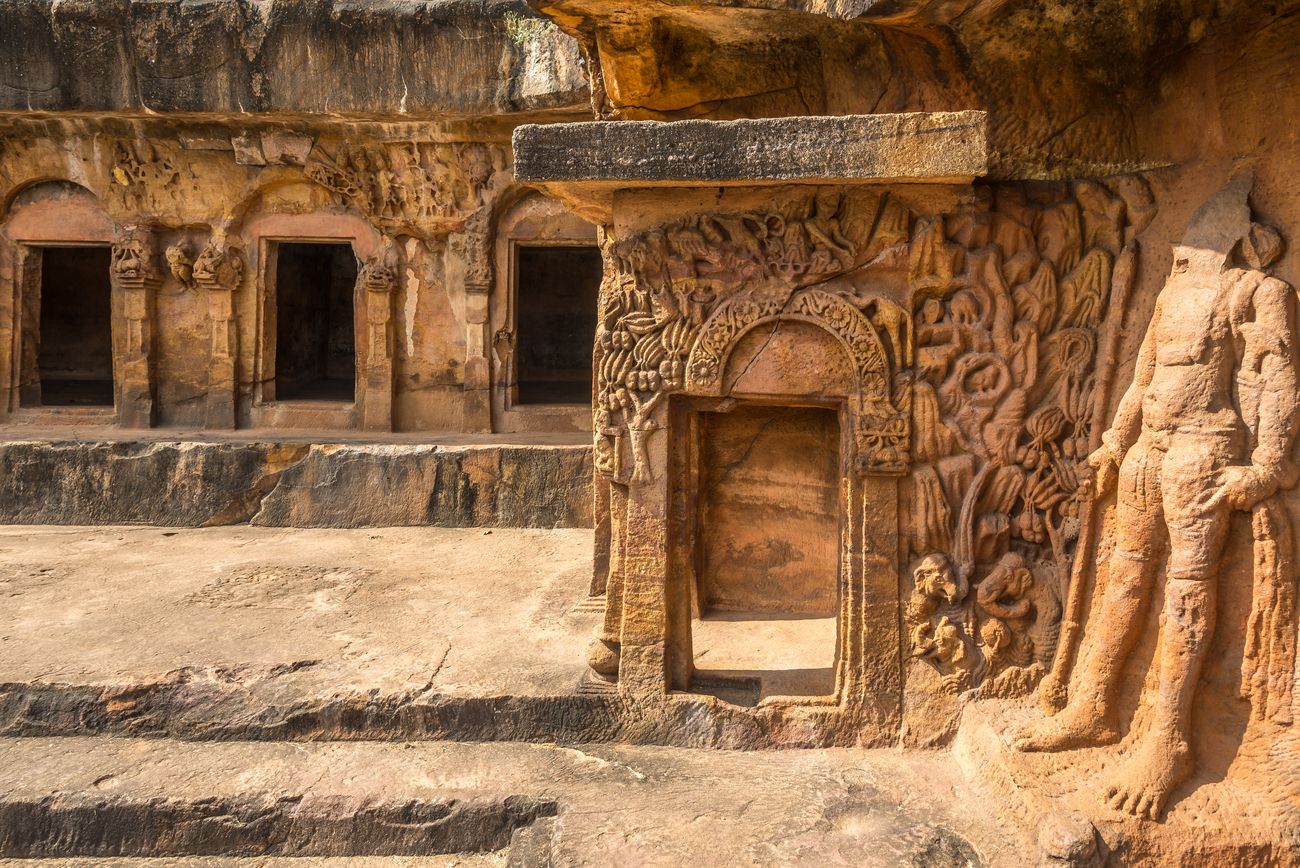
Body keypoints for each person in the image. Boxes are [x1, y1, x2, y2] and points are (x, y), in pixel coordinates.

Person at [1015, 213, 1298, 821]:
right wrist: (1117, 441)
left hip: (1206, 447)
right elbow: (1143, 378)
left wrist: (1267, 467)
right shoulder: (1172, 294)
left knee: (1186, 589)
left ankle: (1169, 741)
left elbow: (1277, 380)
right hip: (1151, 449)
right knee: (1125, 576)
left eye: (1196, 240)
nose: (1183, 251)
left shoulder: (1259, 293)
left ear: (1232, 240)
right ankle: (1093, 707)